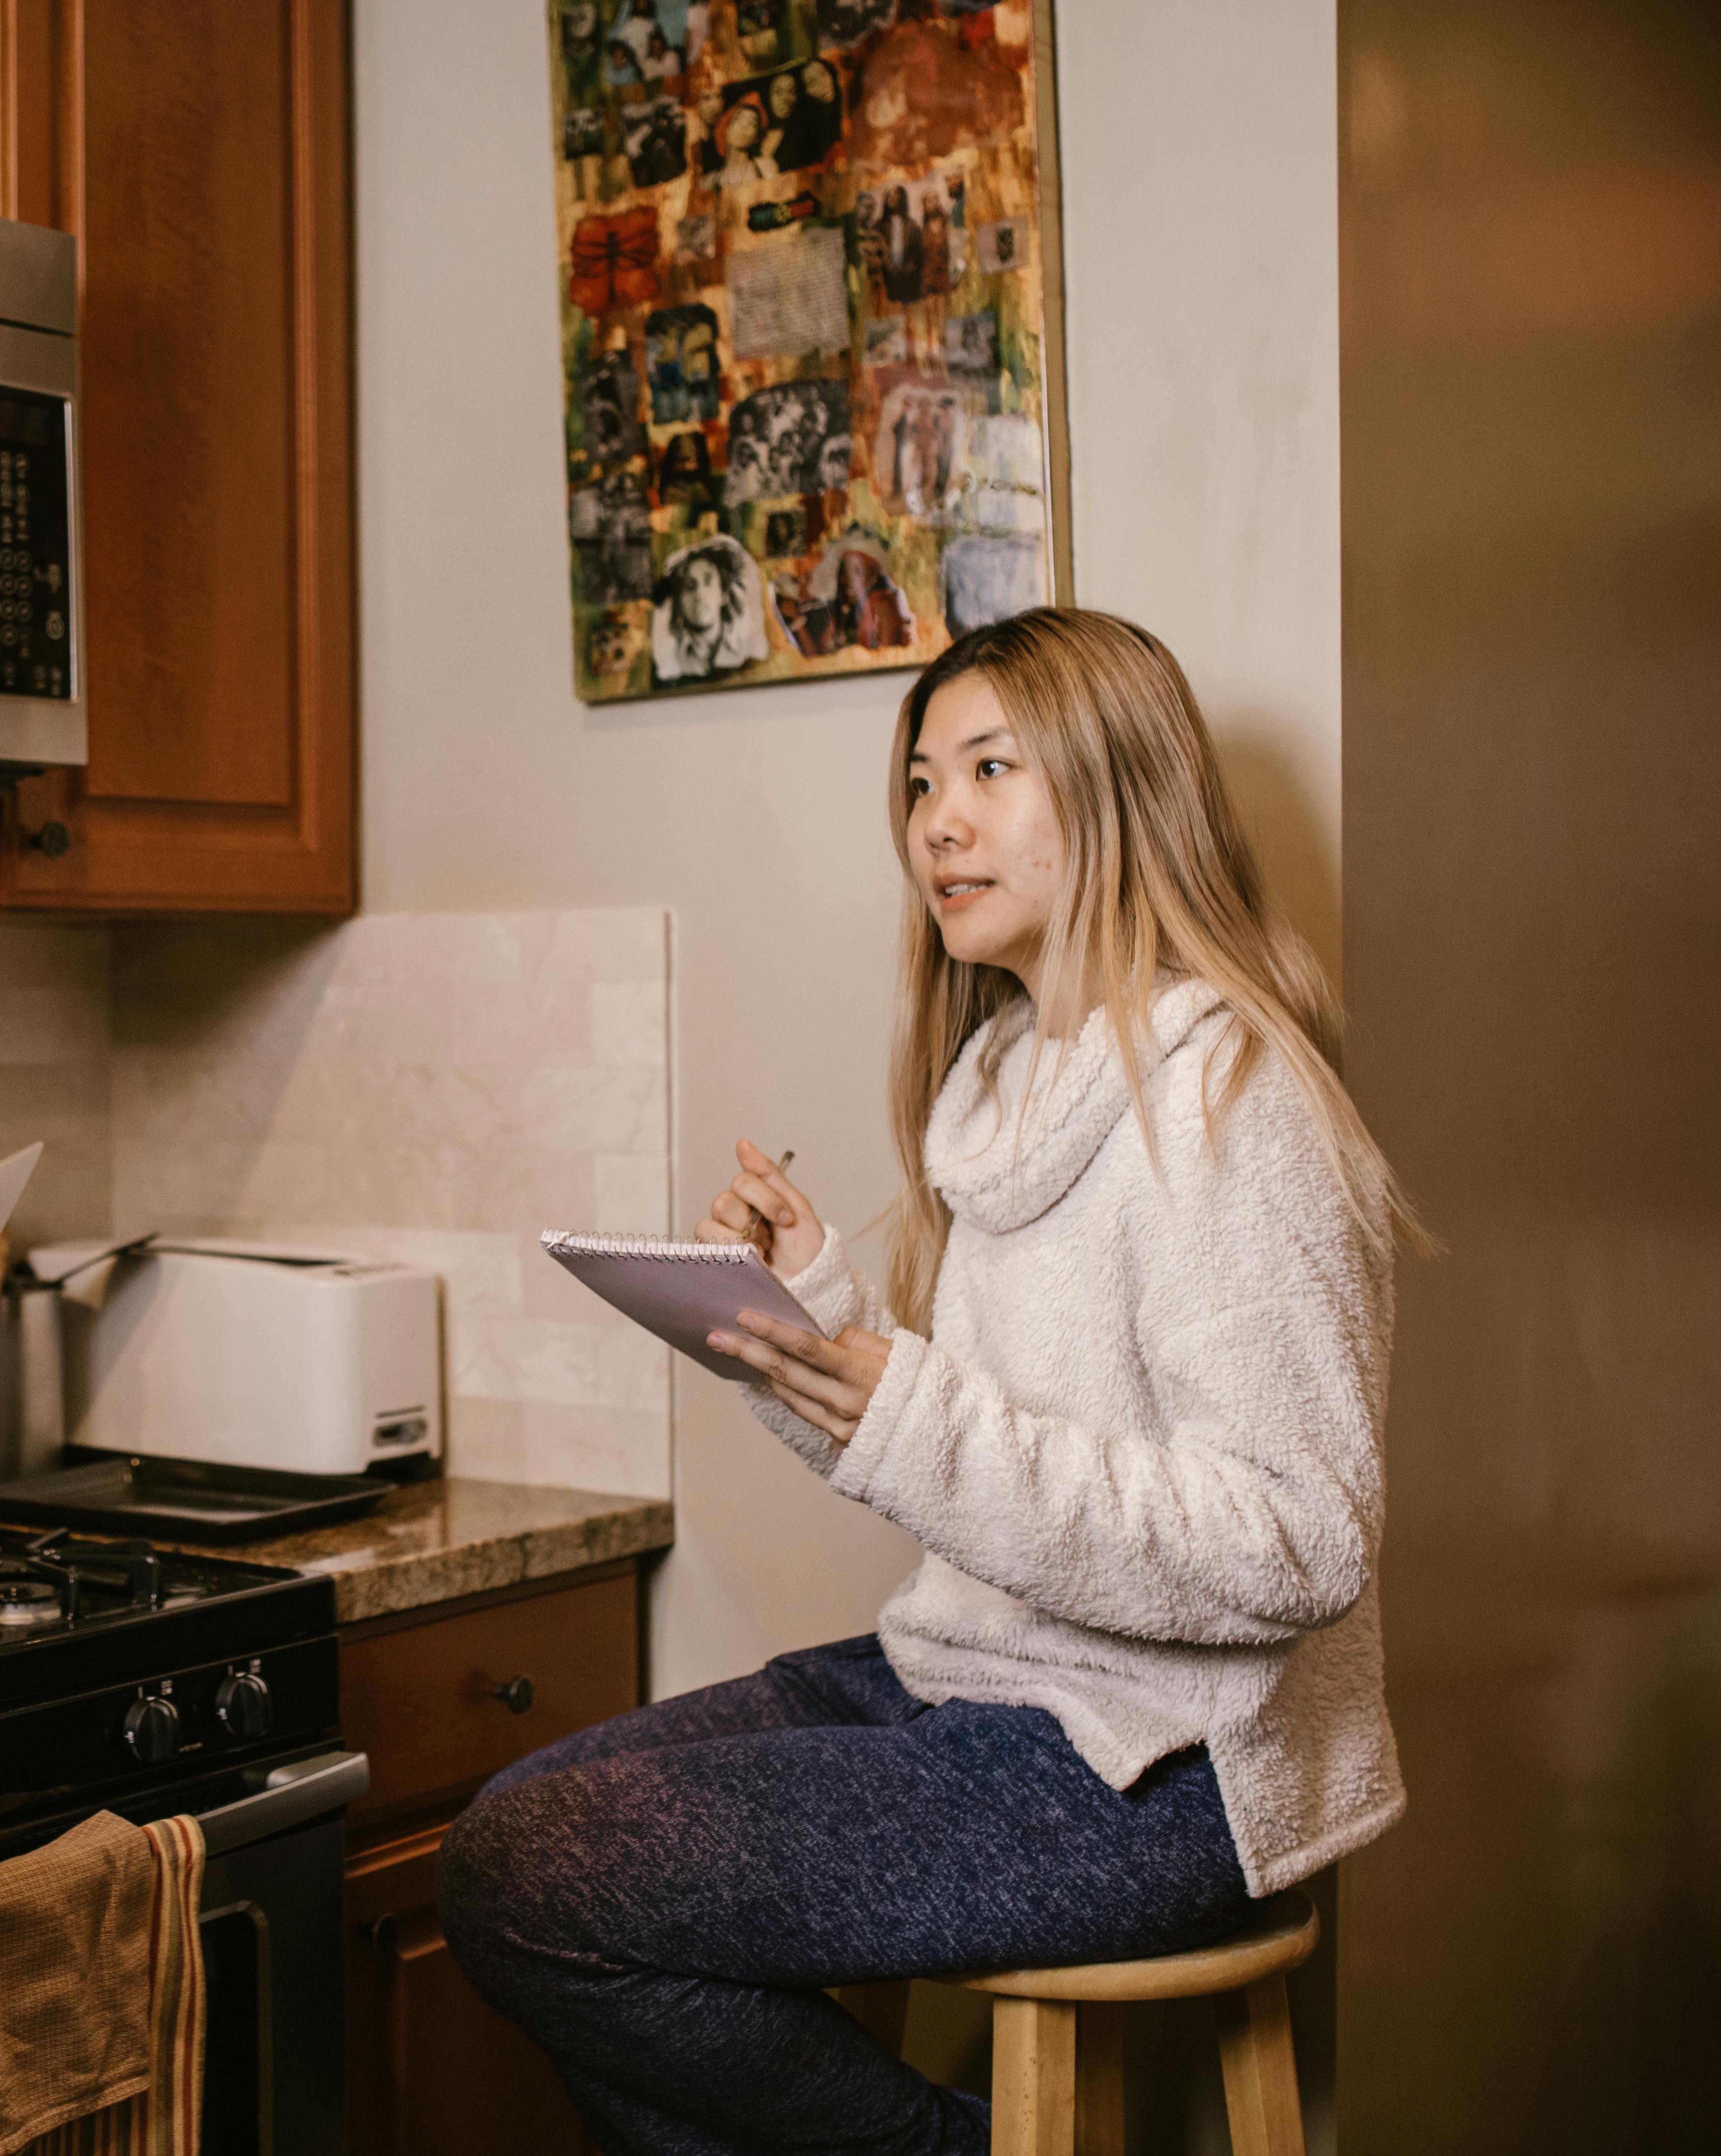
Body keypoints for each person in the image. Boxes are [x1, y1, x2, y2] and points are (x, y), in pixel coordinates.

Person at [439, 607, 1417, 2155]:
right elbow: (1006, 1454)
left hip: (1168, 1762)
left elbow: (1294, 1542)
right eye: (917, 781)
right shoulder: (1011, 1076)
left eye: (987, 769)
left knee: (553, 1879)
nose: (935, 822)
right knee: (504, 1853)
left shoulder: (1233, 1098)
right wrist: (813, 1328)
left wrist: (903, 1404)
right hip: (976, 1675)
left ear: (1117, 787)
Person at [652, 535, 767, 681]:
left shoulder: (747, 650)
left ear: (724, 594)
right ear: (679, 601)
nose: (700, 594)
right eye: (690, 586)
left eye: (708, 582)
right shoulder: (672, 659)